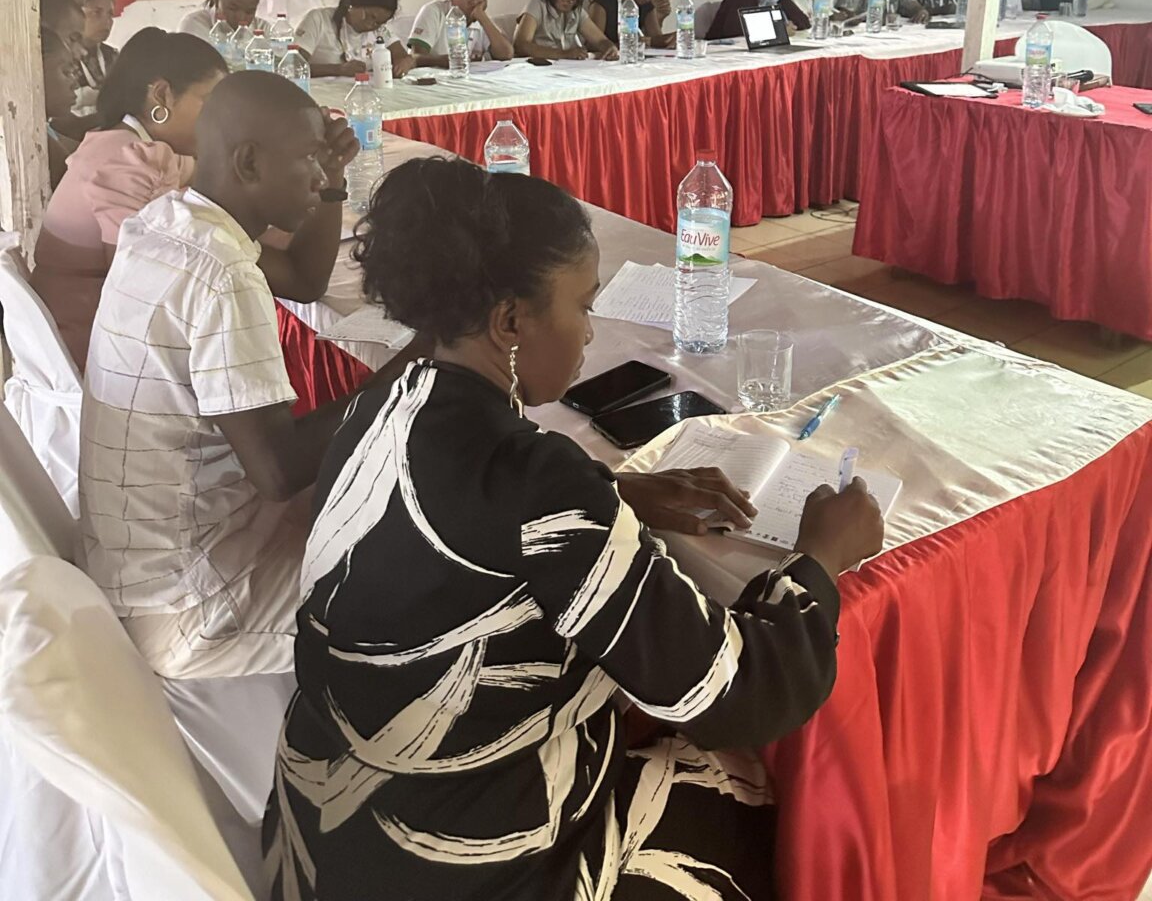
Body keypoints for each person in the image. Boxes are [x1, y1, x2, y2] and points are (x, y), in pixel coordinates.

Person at [264, 157, 884, 901]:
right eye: (583, 307)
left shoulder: (385, 401)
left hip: (322, 835)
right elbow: (734, 693)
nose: (589, 333)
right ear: (510, 322)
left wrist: (613, 493)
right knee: (732, 787)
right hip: (452, 864)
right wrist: (820, 558)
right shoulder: (537, 483)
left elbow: (467, 517)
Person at [78, 73, 366, 680]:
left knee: (372, 505)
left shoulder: (167, 220)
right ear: (249, 162)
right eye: (309, 160)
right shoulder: (222, 273)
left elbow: (306, 281)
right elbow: (279, 473)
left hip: (143, 562)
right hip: (192, 605)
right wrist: (419, 365)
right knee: (428, 593)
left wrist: (335, 180)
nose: (318, 177)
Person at [32, 29, 228, 369]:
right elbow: (132, 286)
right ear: (162, 95)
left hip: (85, 320)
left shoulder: (129, 144)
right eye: (210, 103)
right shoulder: (126, 159)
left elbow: (197, 171)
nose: (219, 119)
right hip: (87, 337)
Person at [295, 0, 415, 79]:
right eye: (369, 16)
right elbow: (294, 66)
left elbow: (402, 56)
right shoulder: (318, 19)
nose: (370, 25)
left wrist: (406, 62)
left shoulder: (380, 31)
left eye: (378, 23)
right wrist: (338, 69)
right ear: (354, 5)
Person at [407, 0, 514, 68]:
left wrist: (482, 17)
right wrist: (445, 61)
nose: (474, 0)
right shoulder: (434, 11)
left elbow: (506, 54)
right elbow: (415, 56)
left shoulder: (480, 18)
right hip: (433, 76)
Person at [514, 0, 619, 60]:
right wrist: (563, 54)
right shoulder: (537, 5)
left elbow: (600, 40)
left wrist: (609, 47)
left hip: (566, 67)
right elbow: (521, 45)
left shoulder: (576, 11)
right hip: (539, 66)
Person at [40, 29, 79, 190]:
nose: (75, 83)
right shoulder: (31, 137)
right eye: (66, 72)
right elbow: (74, 175)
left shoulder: (44, 129)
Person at [73, 0, 119, 116]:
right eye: (96, 13)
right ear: (73, 14)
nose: (107, 21)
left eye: (110, 14)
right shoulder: (60, 56)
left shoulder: (112, 56)